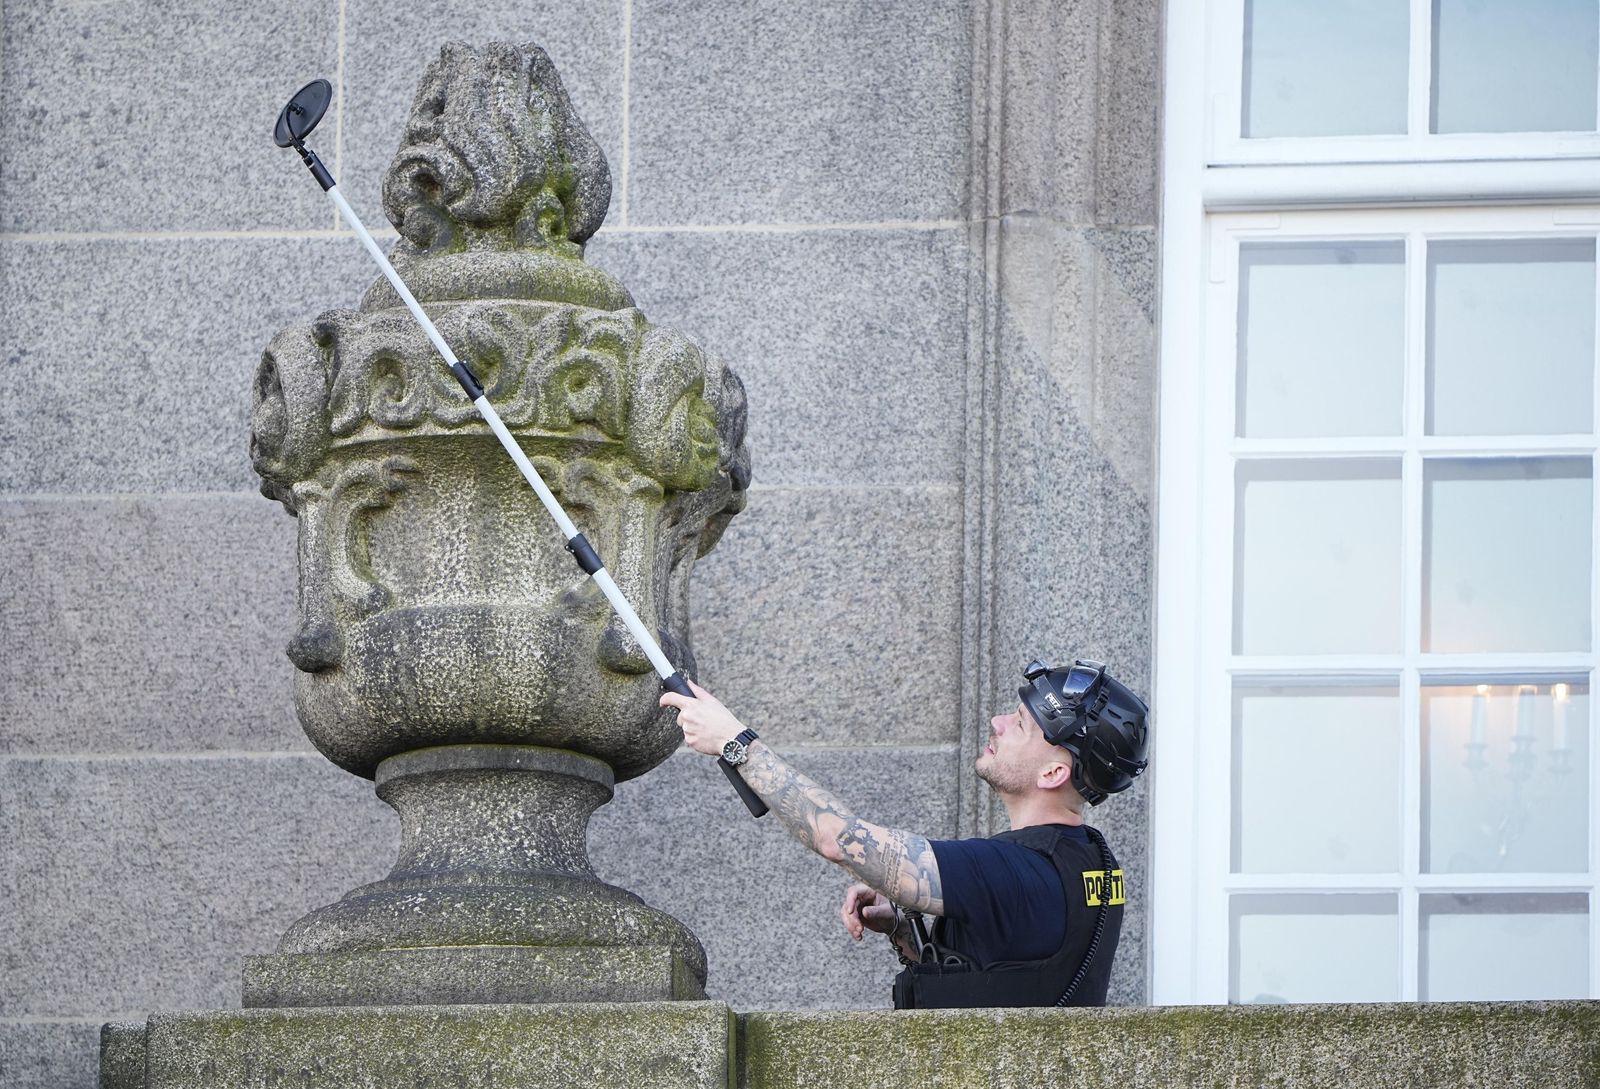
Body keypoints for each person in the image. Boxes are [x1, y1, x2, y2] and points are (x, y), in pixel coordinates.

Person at [659, 657, 1150, 1008]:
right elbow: (1008, 974)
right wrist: (901, 927)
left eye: (1020, 724)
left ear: (1053, 773)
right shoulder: (1089, 864)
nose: (998, 722)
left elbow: (838, 838)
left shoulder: (1019, 871)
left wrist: (736, 742)